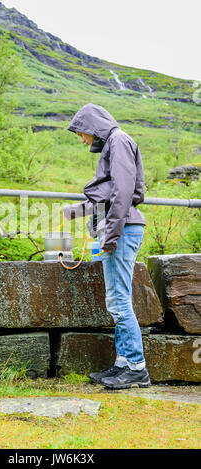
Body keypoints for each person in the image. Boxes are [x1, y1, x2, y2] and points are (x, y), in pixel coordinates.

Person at [63, 103, 151, 390]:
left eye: (81, 133)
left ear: (92, 126)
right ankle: (123, 364)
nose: (81, 139)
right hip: (119, 229)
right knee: (116, 299)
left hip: (122, 230)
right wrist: (76, 211)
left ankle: (137, 368)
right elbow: (110, 195)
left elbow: (124, 192)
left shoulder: (118, 141)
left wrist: (110, 236)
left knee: (120, 300)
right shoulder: (113, 143)